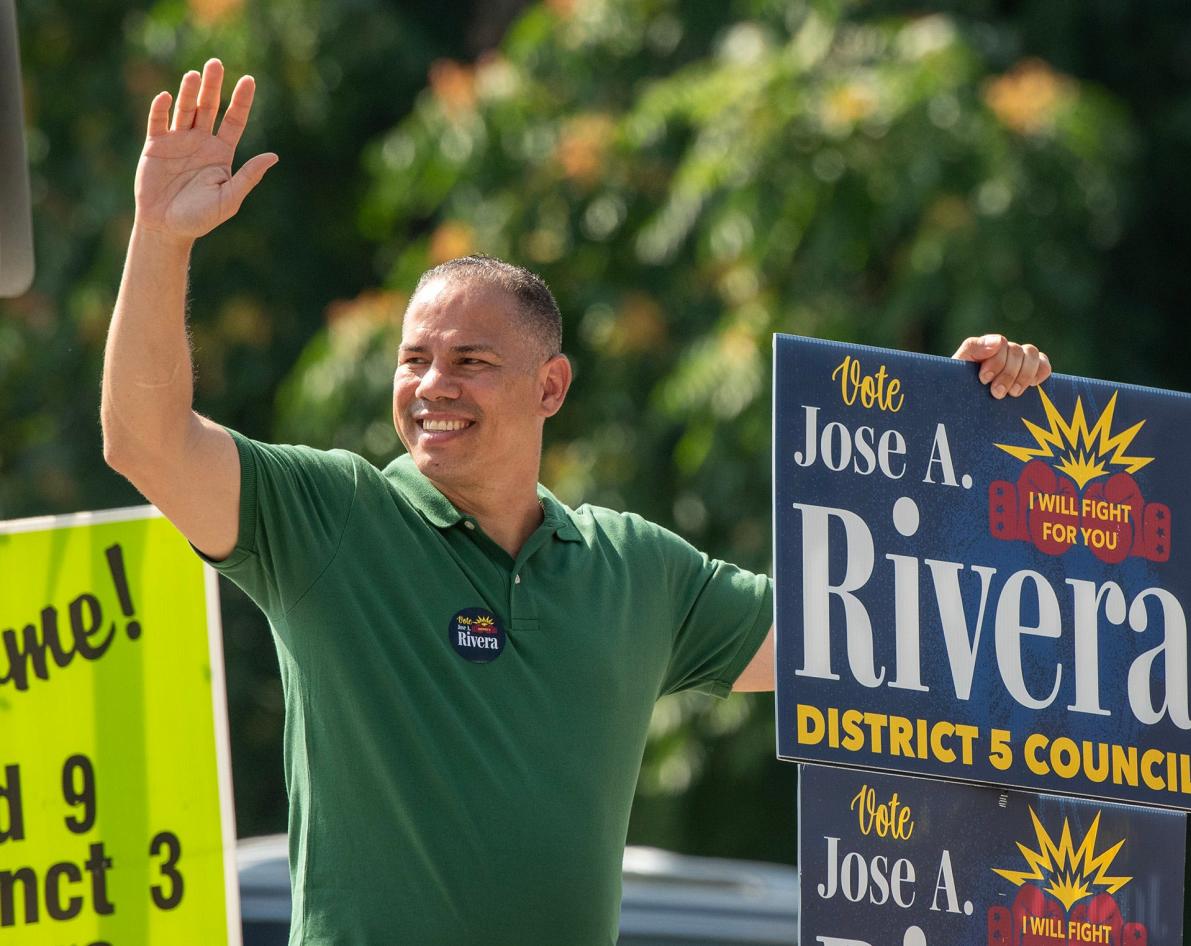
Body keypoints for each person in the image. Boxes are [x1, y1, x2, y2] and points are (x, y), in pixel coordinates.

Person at [101, 60, 1052, 945]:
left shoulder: (636, 570)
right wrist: (160, 235)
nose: (434, 385)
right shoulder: (333, 521)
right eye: (414, 360)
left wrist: (980, 437)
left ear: (551, 389)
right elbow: (143, 441)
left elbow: (888, 642)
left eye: (472, 362)